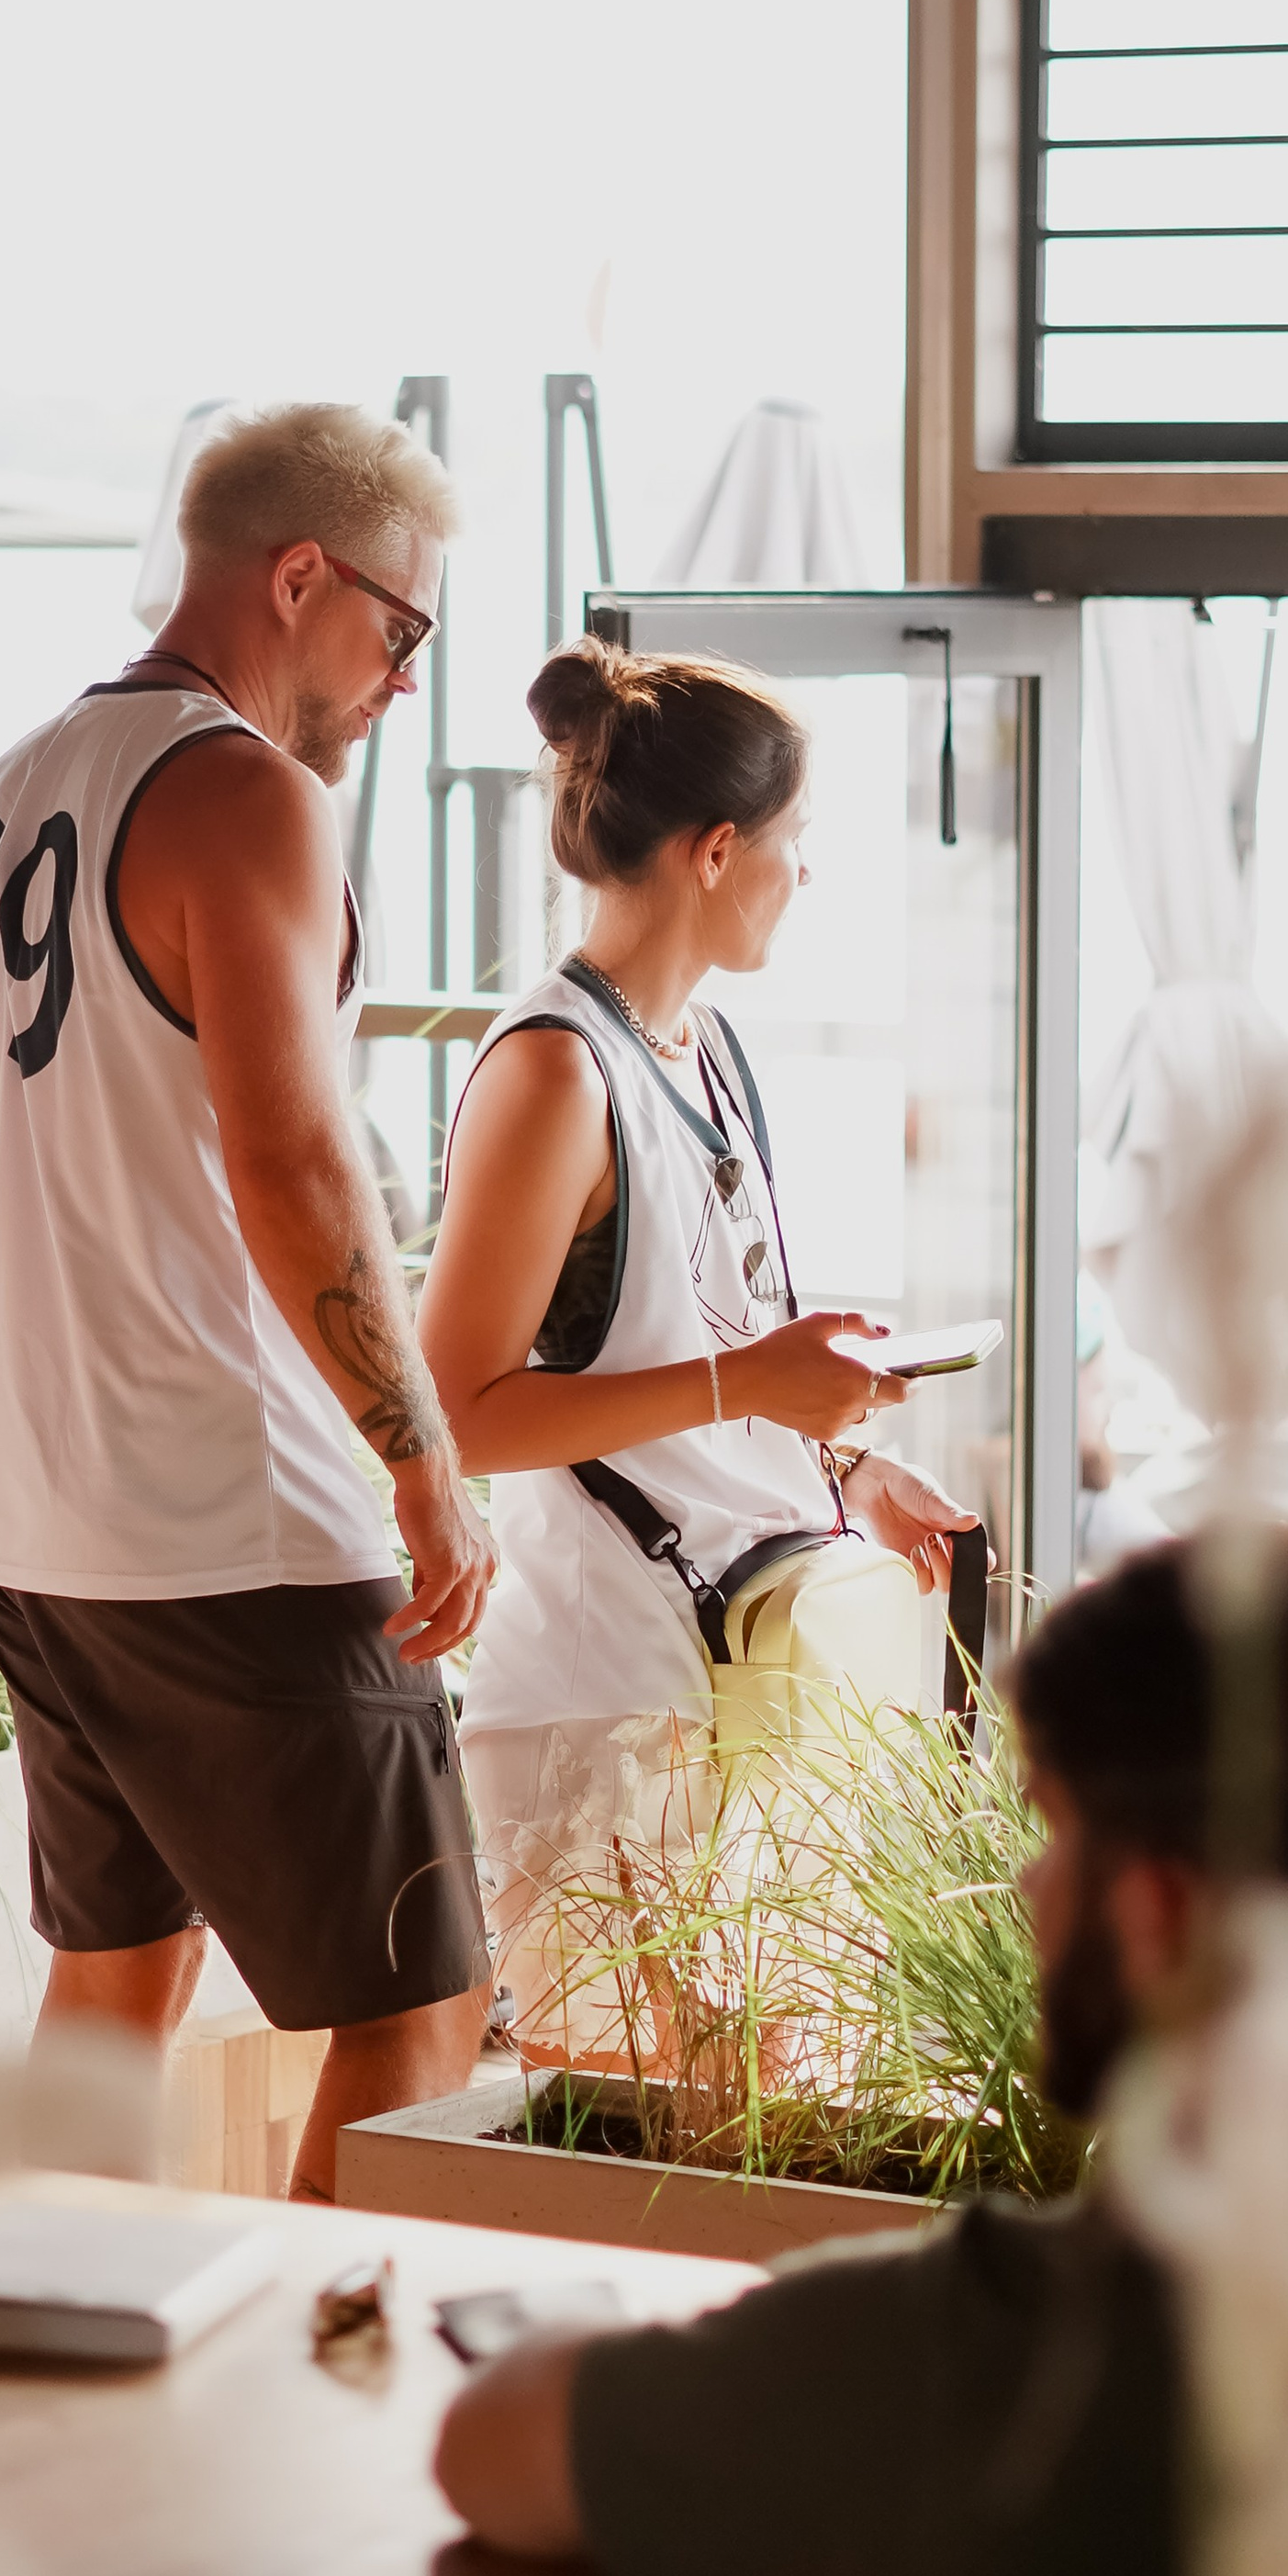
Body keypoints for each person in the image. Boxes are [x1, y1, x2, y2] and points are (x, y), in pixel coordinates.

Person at [432, 1525, 1288, 2576]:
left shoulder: (970, 2353)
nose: (1029, 1892)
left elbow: (494, 2450)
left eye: (1055, 1832)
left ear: (1163, 1909)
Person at [0, 401, 494, 2202]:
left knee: (114, 1984)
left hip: (25, 1520)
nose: (402, 681)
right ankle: (330, 2428)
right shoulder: (247, 801)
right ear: (301, 577)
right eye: (400, 629)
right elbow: (295, 1167)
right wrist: (426, 1464)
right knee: (415, 2009)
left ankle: (42, 2367)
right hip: (237, 1529)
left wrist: (10, 1404)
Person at [418, 636, 980, 2055]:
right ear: (719, 850)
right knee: (635, 2157)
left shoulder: (705, 1048)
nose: (807, 875)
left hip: (726, 1684)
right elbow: (456, 1413)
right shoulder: (553, 1071)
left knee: (751, 2130)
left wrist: (845, 1471)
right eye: (797, 844)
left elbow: (709, 1347)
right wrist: (755, 1381)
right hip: (603, 1706)